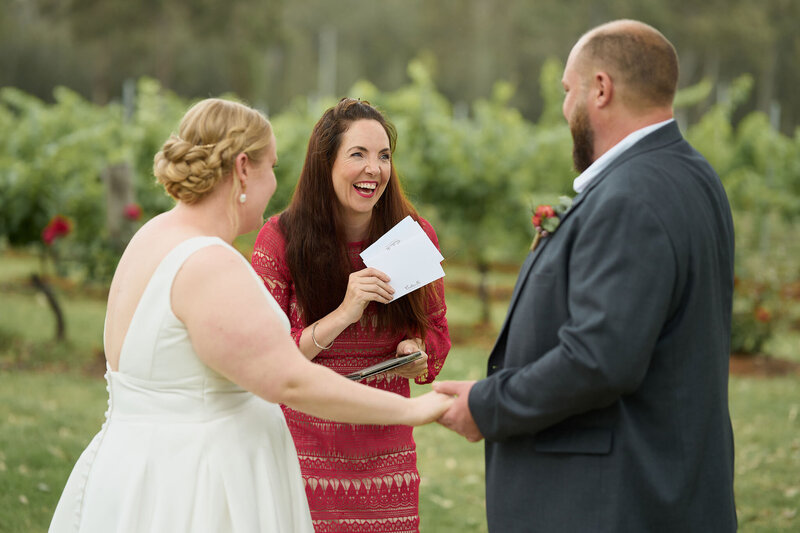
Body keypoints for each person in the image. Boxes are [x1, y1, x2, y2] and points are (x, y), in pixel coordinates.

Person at [48, 98, 452, 533]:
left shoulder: (153, 235)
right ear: (243, 169)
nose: (276, 181)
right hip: (193, 484)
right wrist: (415, 411)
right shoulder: (209, 262)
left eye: (383, 155)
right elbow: (287, 379)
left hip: (136, 475)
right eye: (272, 167)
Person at [434, 20, 737, 532]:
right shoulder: (692, 175)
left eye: (567, 90)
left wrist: (488, 405)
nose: (563, 108)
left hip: (612, 501)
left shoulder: (630, 198)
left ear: (601, 88)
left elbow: (599, 359)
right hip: (666, 482)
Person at [251, 97, 451, 532]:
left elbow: (437, 335)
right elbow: (265, 360)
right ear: (326, 165)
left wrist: (417, 351)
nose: (374, 169)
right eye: (357, 154)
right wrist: (344, 313)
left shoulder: (411, 236)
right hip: (301, 452)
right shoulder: (280, 241)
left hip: (387, 457)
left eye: (383, 157)